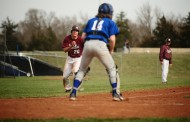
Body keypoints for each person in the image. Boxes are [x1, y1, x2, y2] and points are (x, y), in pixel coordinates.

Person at [69, 3, 124, 101]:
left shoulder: (91, 21)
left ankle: (73, 93)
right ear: (110, 13)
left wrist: (84, 48)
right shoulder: (110, 22)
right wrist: (110, 50)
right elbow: (112, 39)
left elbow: (83, 37)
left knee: (82, 70)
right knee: (112, 69)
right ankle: (116, 93)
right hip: (100, 44)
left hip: (88, 44)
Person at [61, 25, 84, 92]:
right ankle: (68, 88)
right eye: (74, 31)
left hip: (78, 58)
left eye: (76, 31)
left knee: (75, 71)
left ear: (78, 32)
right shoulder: (67, 38)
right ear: (71, 31)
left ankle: (77, 86)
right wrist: (71, 46)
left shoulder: (80, 39)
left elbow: (86, 47)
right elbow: (65, 50)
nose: (75, 32)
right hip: (69, 58)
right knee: (65, 77)